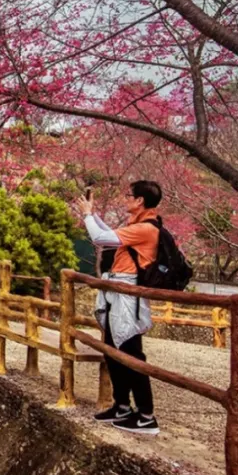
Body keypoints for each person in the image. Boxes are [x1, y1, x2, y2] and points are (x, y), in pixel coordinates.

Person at [78, 180, 162, 435]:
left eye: (129, 195)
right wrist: (92, 214)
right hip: (117, 289)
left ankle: (146, 415)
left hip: (128, 295)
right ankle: (123, 406)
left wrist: (87, 216)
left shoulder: (147, 229)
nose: (125, 198)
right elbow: (111, 238)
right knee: (113, 351)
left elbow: (101, 238)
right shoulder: (136, 226)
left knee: (131, 353)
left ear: (140, 201)